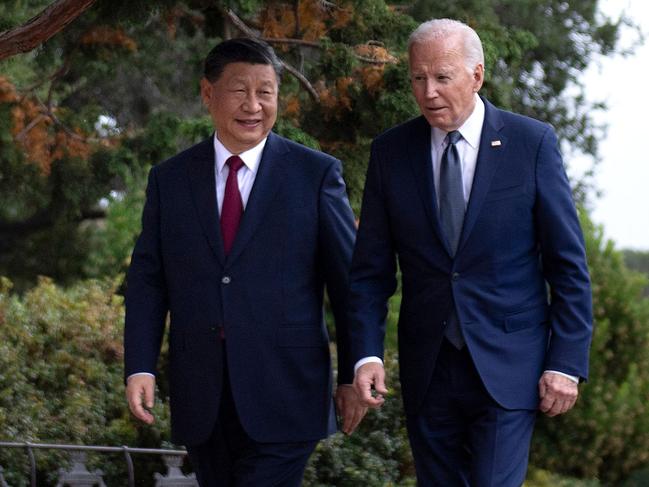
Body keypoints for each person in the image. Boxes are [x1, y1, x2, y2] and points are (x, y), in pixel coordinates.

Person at [349, 18, 593, 486]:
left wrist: (565, 361)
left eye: (442, 77)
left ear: (476, 75)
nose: (428, 92)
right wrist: (365, 354)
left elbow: (568, 267)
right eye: (418, 78)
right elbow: (369, 273)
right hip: (428, 367)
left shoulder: (531, 144)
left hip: (509, 366)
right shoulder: (391, 152)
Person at [124, 37, 366, 487]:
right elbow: (148, 282)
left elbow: (348, 284)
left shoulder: (315, 175)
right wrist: (140, 365)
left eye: (266, 92)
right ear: (207, 94)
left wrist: (354, 372)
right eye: (239, 91)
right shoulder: (170, 181)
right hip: (203, 397)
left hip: (288, 393)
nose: (253, 105)